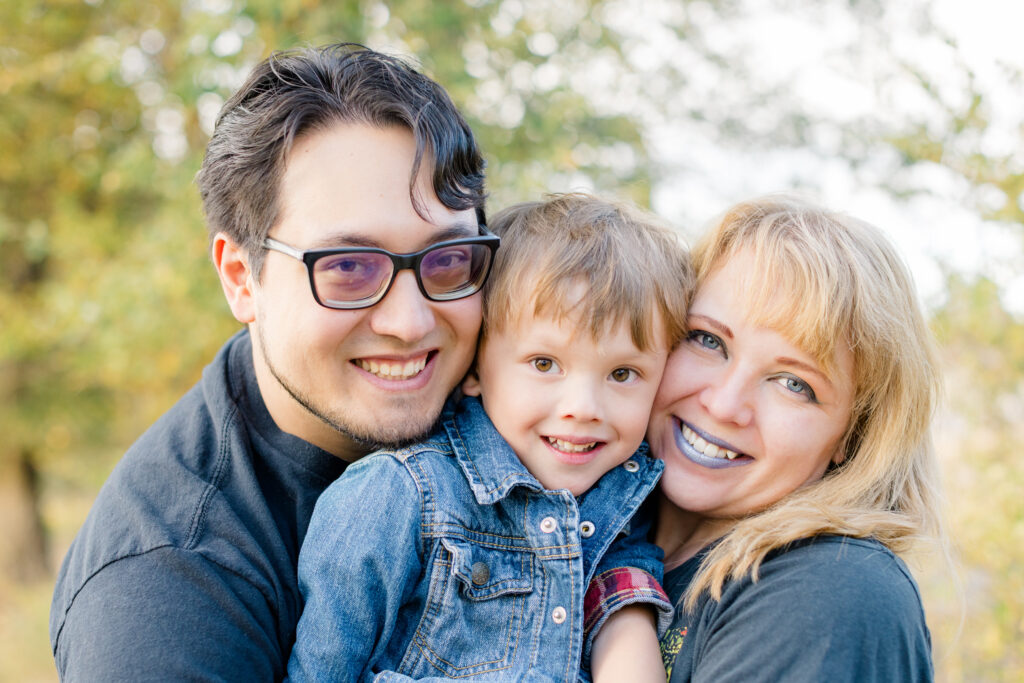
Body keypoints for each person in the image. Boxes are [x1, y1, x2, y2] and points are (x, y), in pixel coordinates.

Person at [50, 43, 490, 681]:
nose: (411, 322)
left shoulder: (534, 406)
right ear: (241, 279)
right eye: (347, 268)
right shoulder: (168, 599)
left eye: (447, 261)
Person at [285, 194, 693, 682]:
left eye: (623, 373)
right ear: (476, 366)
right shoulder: (401, 495)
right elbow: (321, 669)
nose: (584, 407)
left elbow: (624, 606)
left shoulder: (623, 494)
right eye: (545, 364)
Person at [646, 196, 944, 681]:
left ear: (854, 432)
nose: (724, 405)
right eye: (708, 340)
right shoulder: (580, 533)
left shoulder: (830, 593)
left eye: (793, 384)